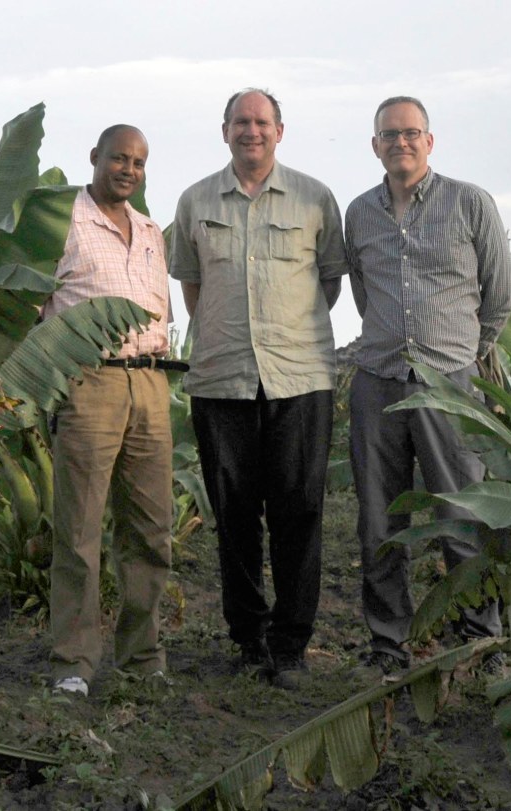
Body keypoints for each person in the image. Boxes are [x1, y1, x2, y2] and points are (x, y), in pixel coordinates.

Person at [168, 88, 347, 682]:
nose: (252, 131)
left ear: (280, 130)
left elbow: (328, 284)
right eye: (241, 122)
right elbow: (192, 289)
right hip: (221, 380)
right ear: (225, 131)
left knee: (300, 510)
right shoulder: (195, 201)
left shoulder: (315, 198)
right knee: (234, 514)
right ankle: (249, 638)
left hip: (299, 377)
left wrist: (283, 333)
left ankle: (291, 644)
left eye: (262, 122)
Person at [345, 96, 511, 673]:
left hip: (450, 385)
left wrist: (462, 356)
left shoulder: (470, 203)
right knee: (379, 522)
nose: (401, 143)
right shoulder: (359, 213)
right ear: (375, 146)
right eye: (389, 135)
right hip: (379, 380)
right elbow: (365, 295)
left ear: (430, 140)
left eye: (411, 133)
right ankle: (388, 644)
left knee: (464, 515)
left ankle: (481, 641)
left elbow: (500, 297)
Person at [44, 124, 183, 697]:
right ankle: (74, 662)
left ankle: (142, 657)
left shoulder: (151, 231)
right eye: (119, 158)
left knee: (151, 529)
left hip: (151, 386)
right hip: (89, 384)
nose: (128, 169)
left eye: (139, 162)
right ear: (95, 158)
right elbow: (31, 307)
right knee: (80, 530)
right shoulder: (64, 224)